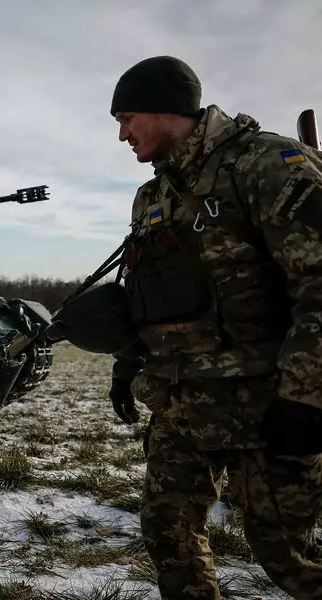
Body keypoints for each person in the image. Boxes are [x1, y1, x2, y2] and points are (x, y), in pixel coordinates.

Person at [107, 55, 322, 599]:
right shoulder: (152, 196)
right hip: (181, 403)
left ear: (166, 109)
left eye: (127, 118)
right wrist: (127, 364)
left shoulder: (267, 164)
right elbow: (148, 294)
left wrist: (307, 396)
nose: (122, 135)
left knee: (289, 558)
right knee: (169, 536)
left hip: (268, 405)